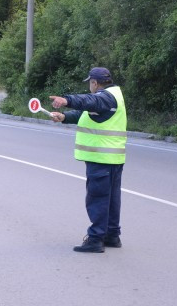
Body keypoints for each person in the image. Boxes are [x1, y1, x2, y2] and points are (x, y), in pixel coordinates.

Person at [49, 67, 127, 253]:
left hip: (101, 158)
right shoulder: (113, 96)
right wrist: (65, 116)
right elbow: (87, 114)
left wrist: (66, 100)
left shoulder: (104, 97)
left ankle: (95, 239)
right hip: (113, 158)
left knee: (98, 198)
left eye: (90, 83)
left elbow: (89, 101)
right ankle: (111, 235)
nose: (90, 87)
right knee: (111, 199)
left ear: (94, 82)